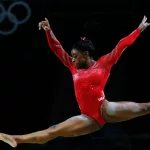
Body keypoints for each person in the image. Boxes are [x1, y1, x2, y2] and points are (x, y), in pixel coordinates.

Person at [0, 15, 150, 148]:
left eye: (75, 56)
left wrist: (139, 29)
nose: (72, 59)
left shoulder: (103, 63)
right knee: (53, 130)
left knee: (144, 108)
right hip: (88, 118)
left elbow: (121, 45)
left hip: (106, 109)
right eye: (72, 56)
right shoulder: (73, 67)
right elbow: (57, 49)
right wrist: (48, 30)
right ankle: (16, 139)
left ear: (85, 54)